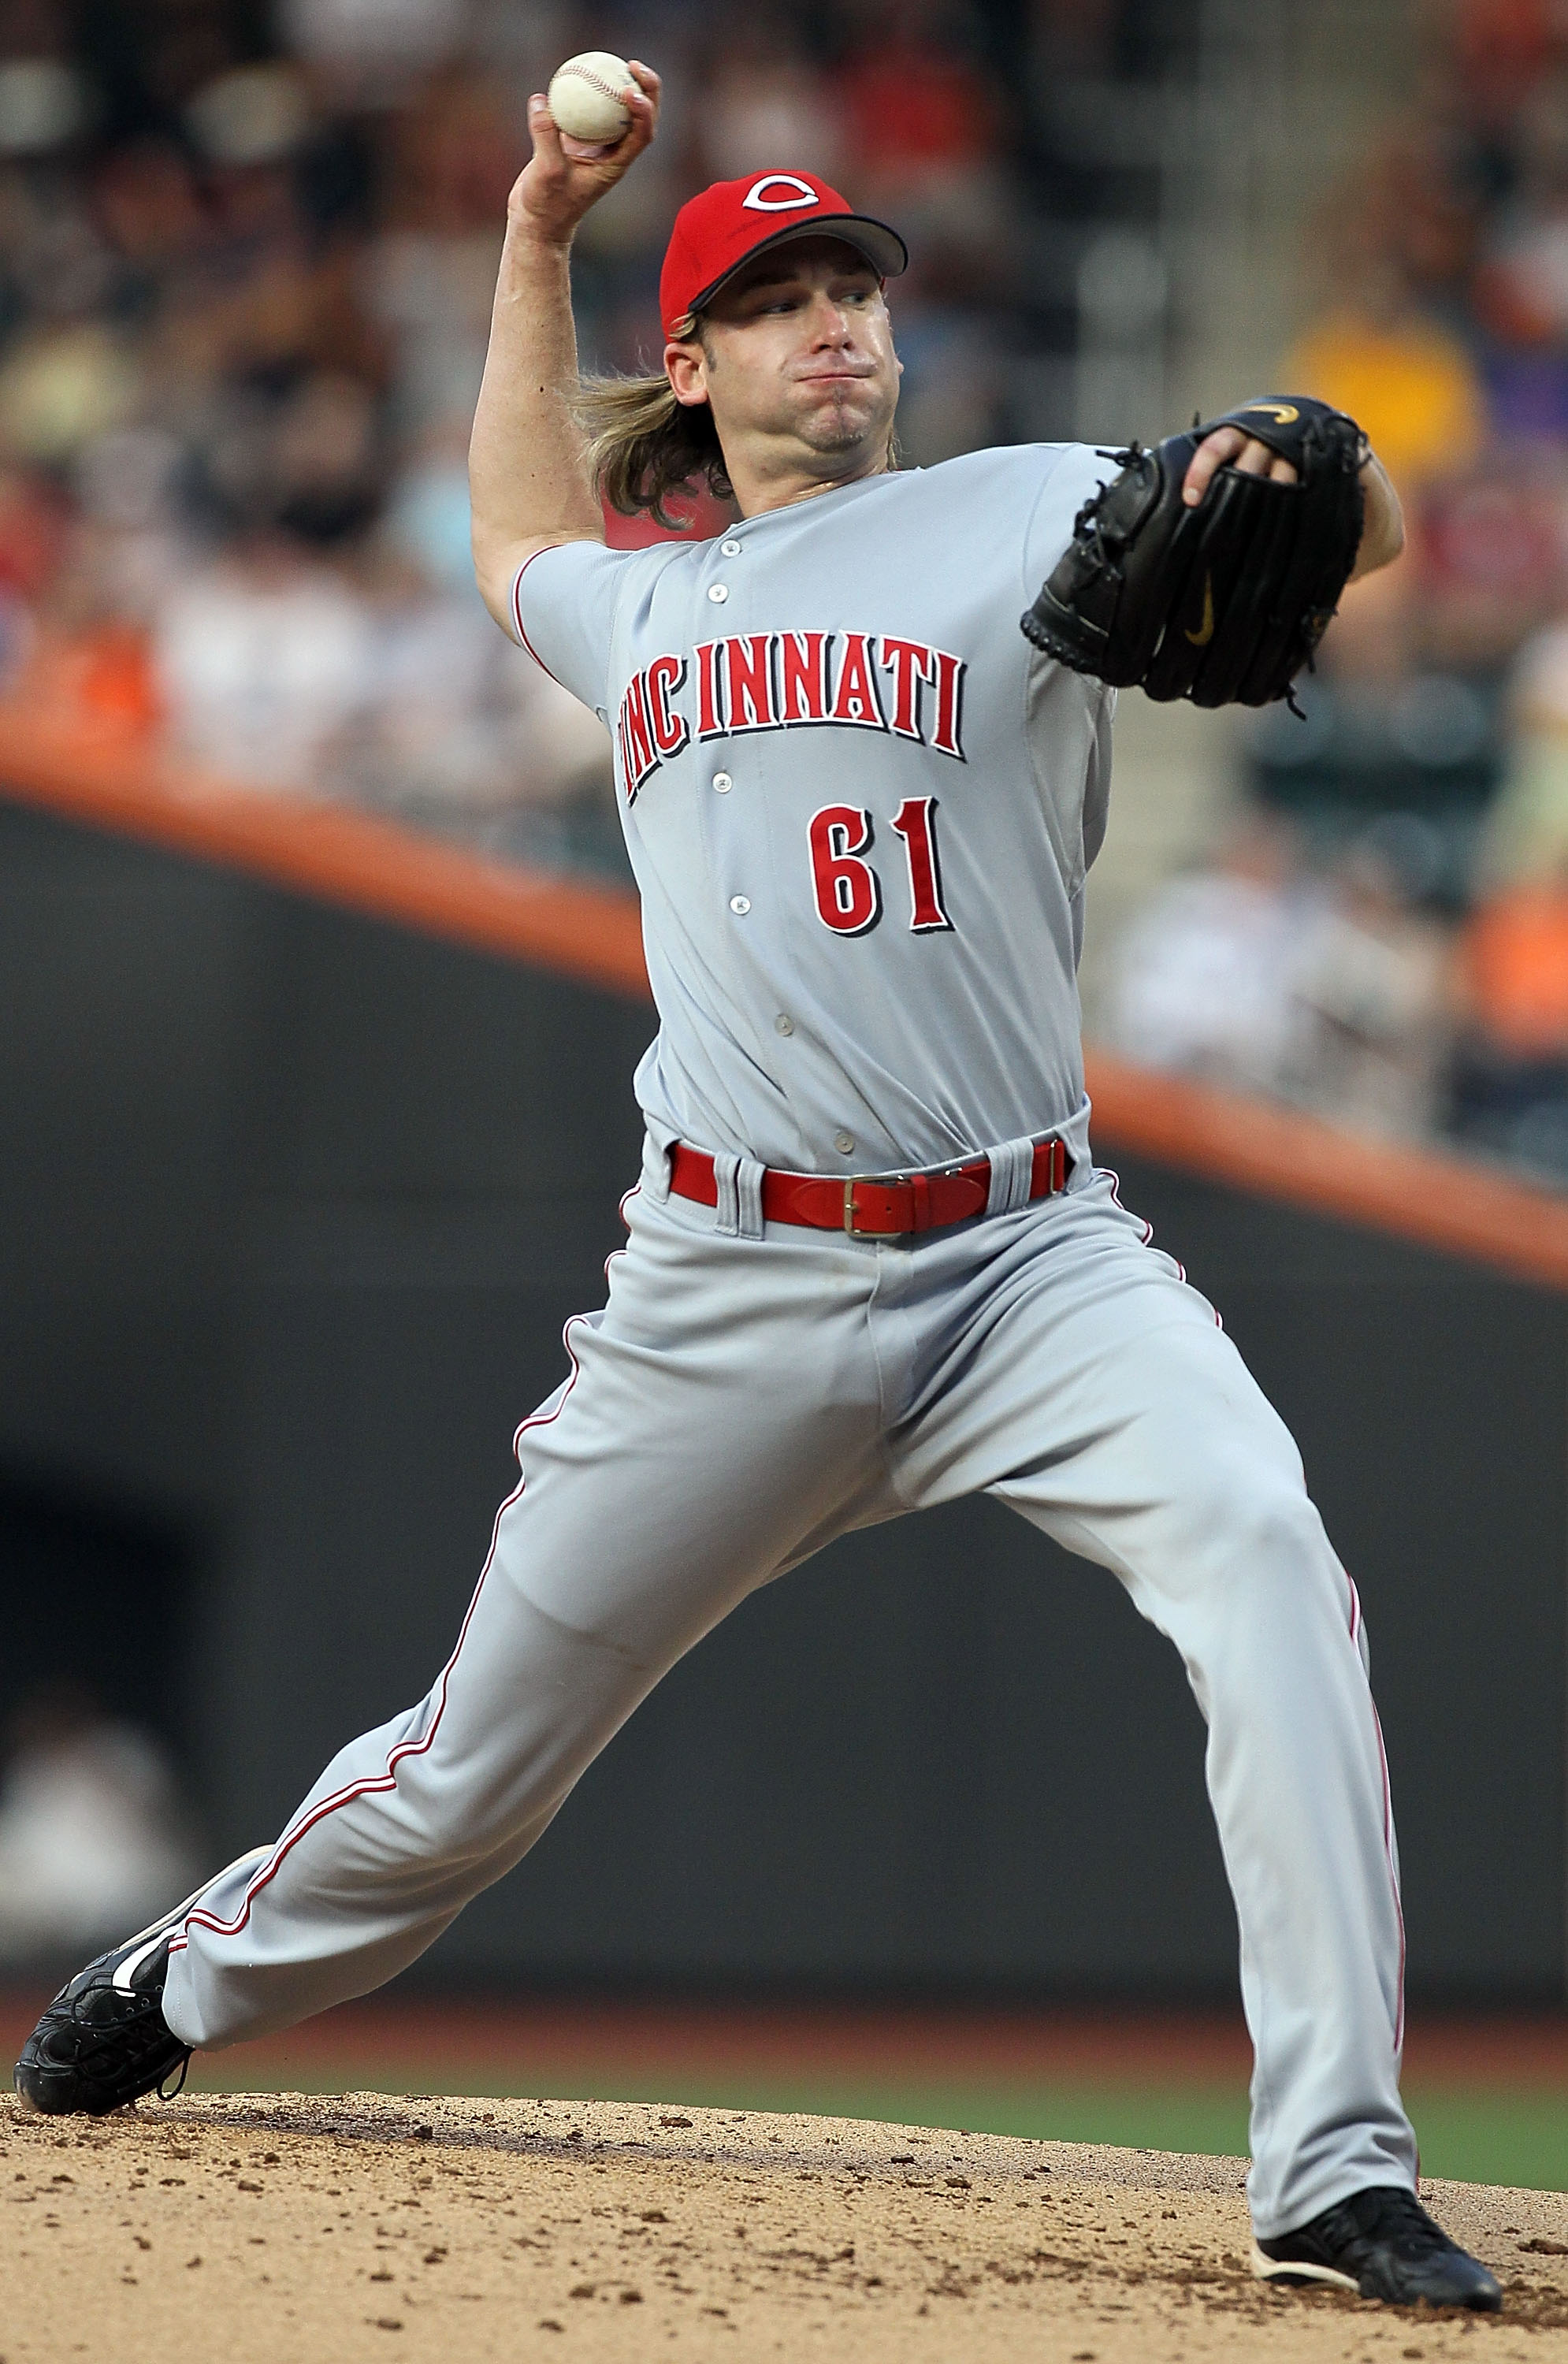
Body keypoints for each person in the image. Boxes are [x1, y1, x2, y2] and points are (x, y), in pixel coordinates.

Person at [16, 65, 1501, 2314]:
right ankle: (192, 1975)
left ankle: (1334, 2166)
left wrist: (1313, 474)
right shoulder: (648, 607)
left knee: (1270, 1559)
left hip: (1032, 1256)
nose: (840, 327)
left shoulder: (1022, 505)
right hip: (726, 1286)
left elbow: (1343, 523)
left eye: (857, 291)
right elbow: (518, 529)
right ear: (692, 365)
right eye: (782, 300)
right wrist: (534, 231)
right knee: (463, 1785)